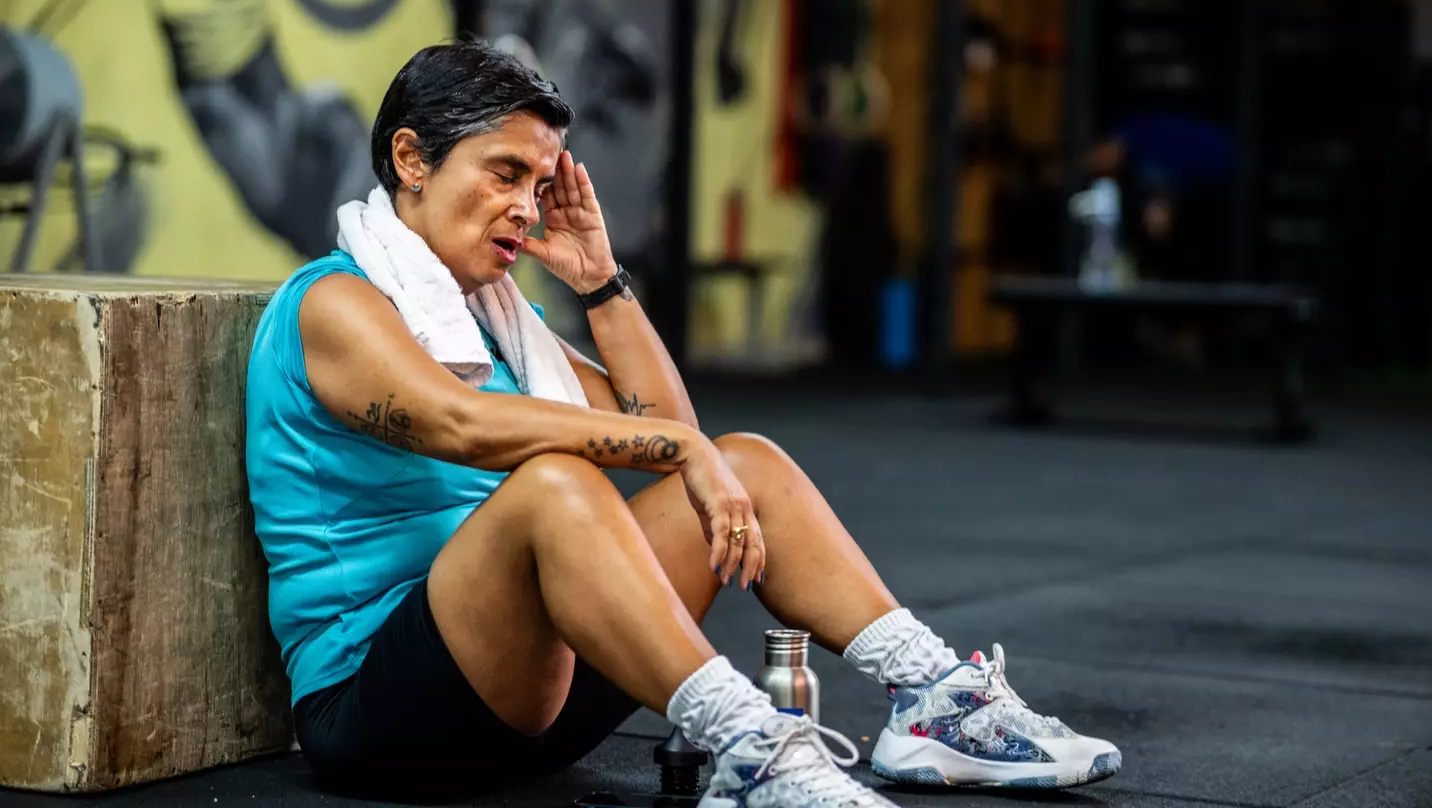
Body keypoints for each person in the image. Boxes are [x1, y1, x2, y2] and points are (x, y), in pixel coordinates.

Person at [244, 40, 1121, 803]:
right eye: (504, 173)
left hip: (519, 695)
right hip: (382, 715)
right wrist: (678, 449)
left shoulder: (490, 319)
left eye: (540, 185)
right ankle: (753, 749)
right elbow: (460, 425)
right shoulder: (334, 301)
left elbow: (674, 435)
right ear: (411, 159)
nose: (525, 206)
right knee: (556, 485)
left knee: (750, 463)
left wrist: (599, 283)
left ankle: (934, 701)